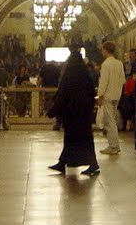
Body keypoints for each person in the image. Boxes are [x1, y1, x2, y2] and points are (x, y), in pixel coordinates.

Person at [48, 40, 100, 176]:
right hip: (83, 113)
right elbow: (92, 92)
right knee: (85, 138)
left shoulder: (69, 75)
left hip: (72, 112)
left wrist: (54, 109)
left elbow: (63, 92)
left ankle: (89, 164)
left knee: (71, 138)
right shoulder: (85, 75)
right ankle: (64, 162)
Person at [97, 40, 125, 156]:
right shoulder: (119, 63)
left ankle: (113, 146)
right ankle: (113, 145)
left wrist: (100, 95)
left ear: (105, 50)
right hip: (117, 94)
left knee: (110, 121)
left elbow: (103, 82)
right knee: (112, 119)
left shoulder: (106, 64)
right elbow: (123, 80)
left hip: (108, 95)